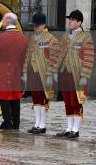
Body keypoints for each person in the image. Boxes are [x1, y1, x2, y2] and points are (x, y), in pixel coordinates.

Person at [54, 10, 93, 139]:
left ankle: (75, 129)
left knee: (76, 101)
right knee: (67, 101)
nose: (69, 22)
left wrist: (85, 76)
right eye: (69, 19)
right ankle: (69, 128)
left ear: (79, 22)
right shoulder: (66, 36)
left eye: (72, 20)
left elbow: (89, 57)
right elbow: (59, 54)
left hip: (77, 74)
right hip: (65, 73)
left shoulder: (86, 37)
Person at [0, 12, 29, 130]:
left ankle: (7, 121)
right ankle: (16, 122)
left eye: (3, 20)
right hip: (17, 70)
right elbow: (23, 58)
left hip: (2, 70)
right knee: (15, 96)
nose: (2, 22)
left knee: (4, 97)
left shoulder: (1, 38)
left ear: (7, 22)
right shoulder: (24, 38)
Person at [23, 12, 60, 134]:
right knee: (35, 98)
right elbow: (27, 56)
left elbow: (55, 58)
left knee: (44, 99)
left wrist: (50, 74)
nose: (34, 27)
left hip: (44, 73)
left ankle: (42, 125)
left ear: (42, 25)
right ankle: (37, 123)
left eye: (36, 25)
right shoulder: (33, 38)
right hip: (33, 71)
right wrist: (24, 71)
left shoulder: (52, 39)